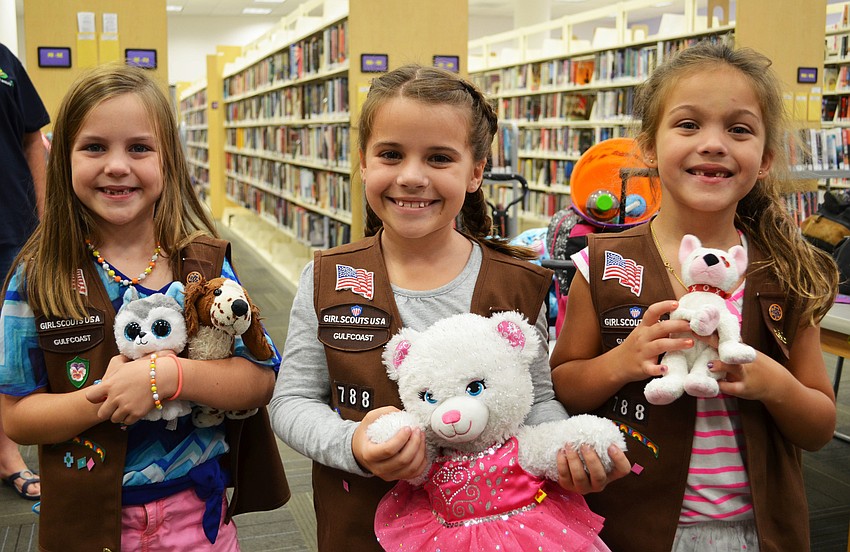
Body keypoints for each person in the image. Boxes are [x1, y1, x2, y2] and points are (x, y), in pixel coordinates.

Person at [269, 64, 630, 551]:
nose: (411, 177)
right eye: (391, 155)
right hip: (361, 528)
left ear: (476, 171)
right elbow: (291, 401)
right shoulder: (328, 278)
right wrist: (352, 443)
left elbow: (538, 401)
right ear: (363, 163)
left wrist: (564, 447)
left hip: (498, 530)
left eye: (439, 158)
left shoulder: (519, 284)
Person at [549, 40, 838, 552]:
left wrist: (774, 383)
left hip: (759, 532)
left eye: (739, 129)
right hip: (630, 528)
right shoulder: (601, 263)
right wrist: (623, 361)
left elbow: (819, 428)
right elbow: (564, 385)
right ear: (650, 147)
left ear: (765, 159)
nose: (713, 144)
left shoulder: (788, 272)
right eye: (688, 124)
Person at [0, 64, 289, 551]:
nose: (117, 165)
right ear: (62, 158)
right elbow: (16, 417)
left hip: (198, 516)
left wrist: (168, 378)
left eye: (139, 148)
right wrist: (104, 397)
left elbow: (261, 378)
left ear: (168, 160)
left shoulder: (203, 264)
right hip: (85, 521)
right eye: (94, 147)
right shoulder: (37, 277)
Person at [0, 42, 49, 502]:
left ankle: (6, 454)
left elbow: (33, 139)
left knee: (7, 344)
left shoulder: (4, 61)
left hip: (13, 225)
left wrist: (45, 219)